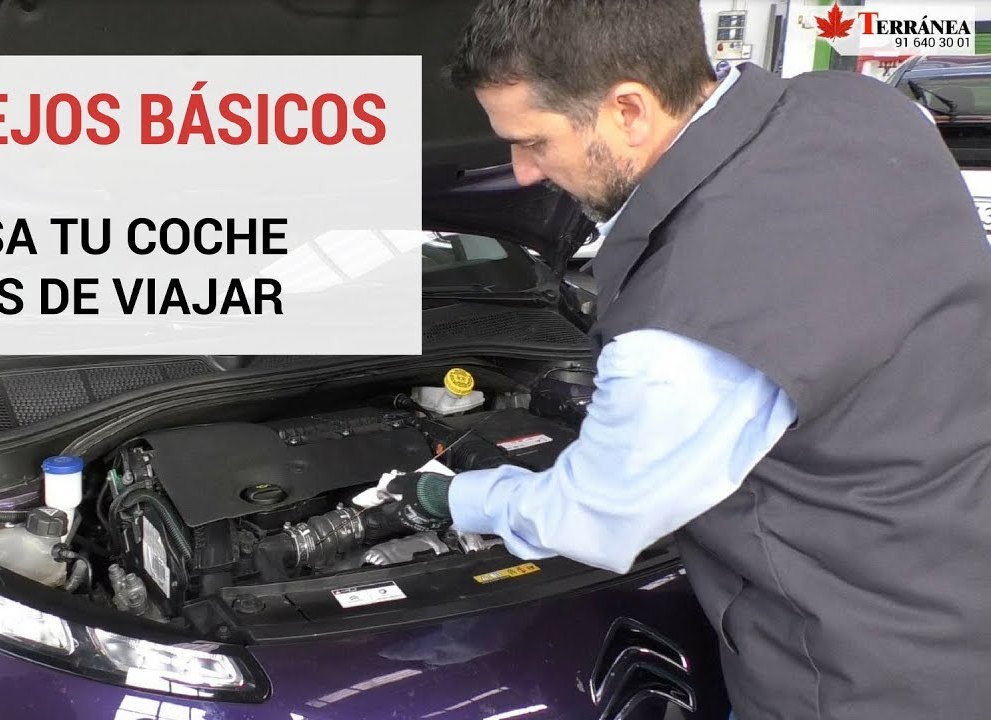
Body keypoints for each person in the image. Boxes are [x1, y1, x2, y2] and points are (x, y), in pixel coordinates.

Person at [375, 2, 991, 719]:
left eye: (533, 141)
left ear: (629, 110)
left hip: (860, 674)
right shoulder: (865, 109)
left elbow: (592, 519)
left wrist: (447, 497)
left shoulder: (687, 317)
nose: (519, 172)